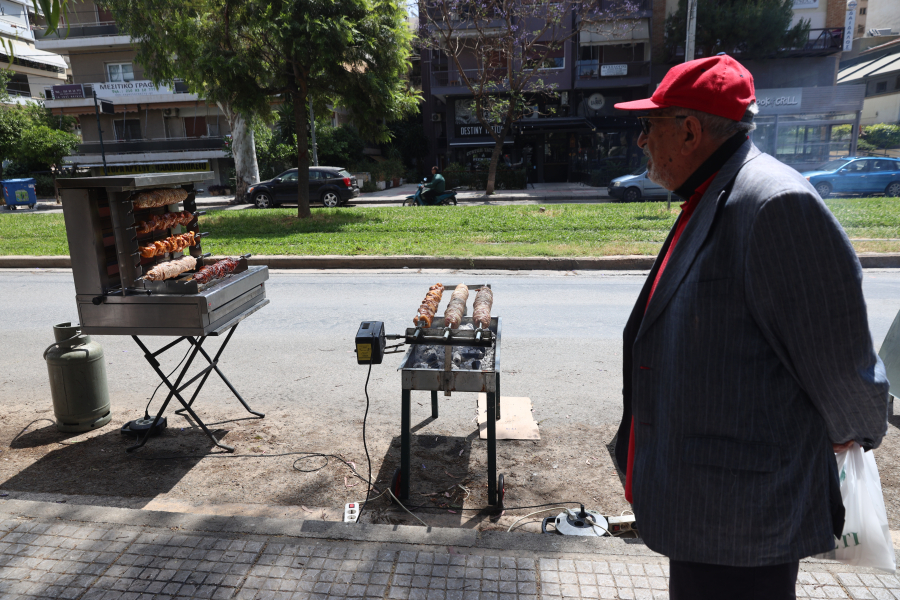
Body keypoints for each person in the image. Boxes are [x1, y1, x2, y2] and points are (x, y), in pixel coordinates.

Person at [612, 54, 889, 599]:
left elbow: (839, 361)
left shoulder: (773, 202)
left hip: (744, 516)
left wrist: (855, 431)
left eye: (649, 125)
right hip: (710, 504)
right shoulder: (718, 191)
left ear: (689, 131)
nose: (642, 140)